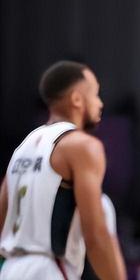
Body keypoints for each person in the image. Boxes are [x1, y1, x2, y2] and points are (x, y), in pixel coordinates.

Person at [0, 61, 126, 280]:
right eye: (95, 94)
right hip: (49, 269)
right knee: (104, 207)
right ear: (77, 99)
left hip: (10, 269)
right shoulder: (83, 146)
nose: (100, 103)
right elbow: (96, 236)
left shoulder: (22, 149)